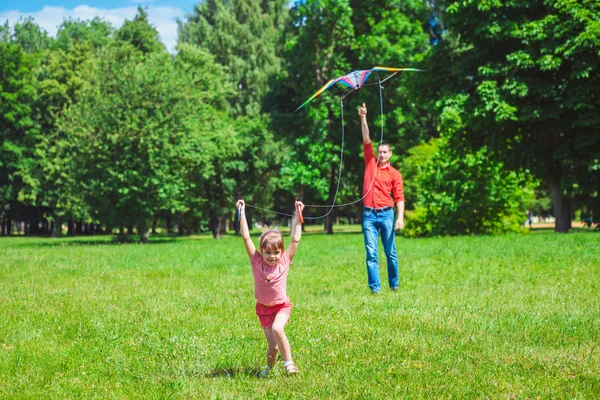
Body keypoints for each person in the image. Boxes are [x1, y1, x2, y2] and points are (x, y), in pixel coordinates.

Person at [236, 199, 305, 377]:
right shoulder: (256, 261)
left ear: (282, 252)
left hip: (281, 306)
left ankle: (289, 364)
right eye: (267, 252)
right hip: (263, 310)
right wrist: (241, 212)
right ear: (261, 251)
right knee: (272, 347)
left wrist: (299, 214)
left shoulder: (285, 261)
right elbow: (245, 236)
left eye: (276, 252)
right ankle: (268, 368)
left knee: (277, 329)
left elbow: (296, 238)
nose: (272, 256)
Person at [358, 103, 405, 294]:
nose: (381, 154)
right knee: (371, 254)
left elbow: (400, 197)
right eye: (379, 152)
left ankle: (394, 285)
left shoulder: (395, 174)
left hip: (387, 215)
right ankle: (375, 289)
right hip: (369, 215)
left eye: (385, 152)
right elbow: (367, 138)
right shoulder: (370, 162)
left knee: (390, 253)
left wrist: (400, 218)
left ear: (390, 153)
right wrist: (363, 118)